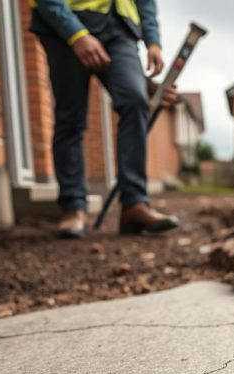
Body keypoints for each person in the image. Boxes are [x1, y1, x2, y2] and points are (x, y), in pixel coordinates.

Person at [30, 0, 180, 238]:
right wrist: (76, 34)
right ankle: (74, 207)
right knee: (71, 117)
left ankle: (134, 204)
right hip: (67, 23)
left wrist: (153, 40)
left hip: (120, 25)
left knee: (135, 100)